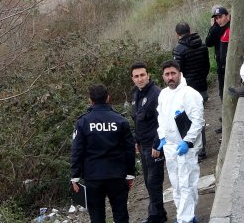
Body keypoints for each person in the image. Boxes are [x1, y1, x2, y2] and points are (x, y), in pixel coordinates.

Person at [71, 84, 136, 223]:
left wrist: (75, 176)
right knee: (121, 214)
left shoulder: (82, 122)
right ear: (108, 98)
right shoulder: (120, 120)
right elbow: (129, 149)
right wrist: (130, 174)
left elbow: (77, 150)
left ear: (90, 100)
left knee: (97, 217)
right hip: (117, 175)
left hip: (93, 176)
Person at [155, 60, 204, 223]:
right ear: (163, 76)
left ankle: (186, 218)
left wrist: (188, 141)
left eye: (173, 73)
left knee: (187, 183)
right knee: (176, 185)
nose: (170, 77)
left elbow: (198, 121)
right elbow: (161, 117)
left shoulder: (189, 94)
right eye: (167, 74)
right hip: (170, 147)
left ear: (179, 74)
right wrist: (162, 136)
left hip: (185, 147)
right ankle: (184, 215)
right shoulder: (163, 94)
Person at [130, 63, 168, 223]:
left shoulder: (157, 94)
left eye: (142, 75)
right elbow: (137, 120)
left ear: (148, 75)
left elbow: (163, 122)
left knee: (154, 182)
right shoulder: (135, 94)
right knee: (148, 182)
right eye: (136, 76)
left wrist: (157, 144)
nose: (140, 79)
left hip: (154, 145)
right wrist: (136, 141)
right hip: (143, 144)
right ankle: (159, 213)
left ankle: (156, 216)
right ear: (132, 78)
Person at [172, 22, 209, 160]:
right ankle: (201, 149)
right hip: (202, 86)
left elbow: (177, 72)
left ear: (177, 34)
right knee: (199, 118)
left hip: (188, 90)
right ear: (190, 30)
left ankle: (195, 150)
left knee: (189, 121)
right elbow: (207, 66)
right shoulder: (202, 45)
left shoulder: (179, 49)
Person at [205, 5, 230, 134]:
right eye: (216, 18)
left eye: (221, 17)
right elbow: (208, 42)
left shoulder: (231, 27)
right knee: (222, 95)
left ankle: (228, 121)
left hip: (230, 68)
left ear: (228, 16)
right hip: (220, 66)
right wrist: (214, 26)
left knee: (228, 94)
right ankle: (225, 121)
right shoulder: (217, 29)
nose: (219, 20)